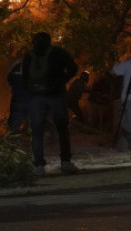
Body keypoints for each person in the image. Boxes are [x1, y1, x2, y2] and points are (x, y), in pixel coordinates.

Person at [22, 31, 80, 176]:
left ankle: (39, 165)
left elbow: (24, 77)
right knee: (62, 128)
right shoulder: (59, 52)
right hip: (56, 95)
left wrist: (30, 92)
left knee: (37, 131)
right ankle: (65, 162)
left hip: (36, 97)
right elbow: (73, 68)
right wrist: (62, 80)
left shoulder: (29, 55)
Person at [7, 58, 30, 135]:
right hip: (28, 99)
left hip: (16, 98)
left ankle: (15, 136)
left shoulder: (15, 66)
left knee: (15, 120)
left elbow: (9, 79)